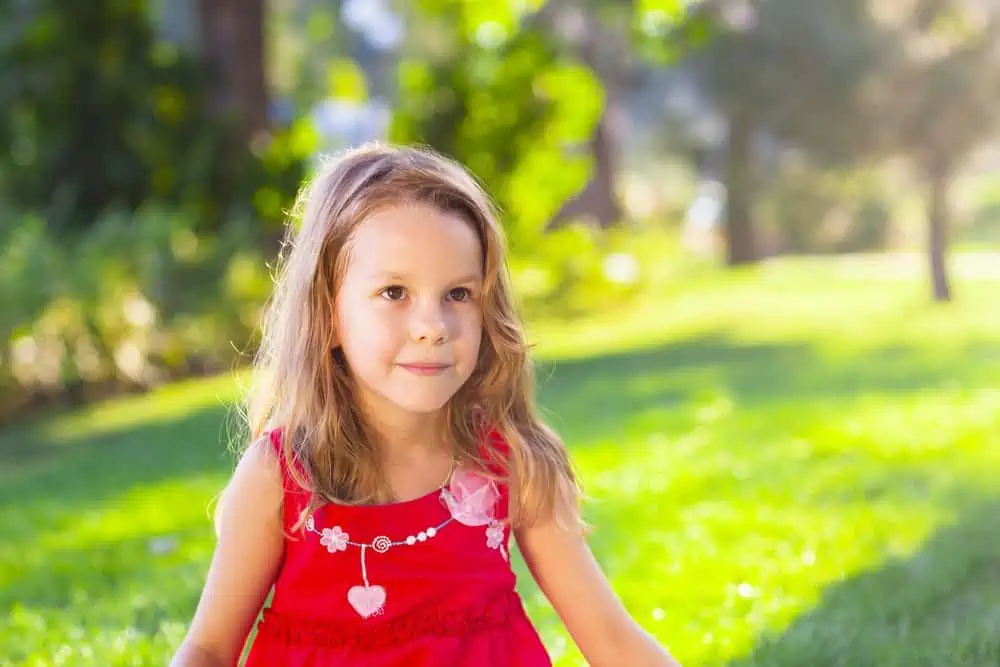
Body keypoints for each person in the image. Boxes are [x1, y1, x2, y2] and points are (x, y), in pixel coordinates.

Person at [170, 143, 681, 667]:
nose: (433, 327)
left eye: (458, 294)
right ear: (327, 315)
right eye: (395, 293)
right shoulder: (278, 479)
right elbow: (208, 650)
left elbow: (613, 642)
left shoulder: (511, 465)